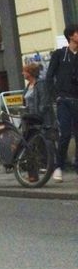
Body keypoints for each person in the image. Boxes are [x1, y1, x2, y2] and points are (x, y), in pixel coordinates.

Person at [45, 24, 78, 183]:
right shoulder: (59, 54)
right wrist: (54, 96)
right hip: (63, 100)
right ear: (71, 36)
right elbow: (49, 76)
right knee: (65, 133)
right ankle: (58, 166)